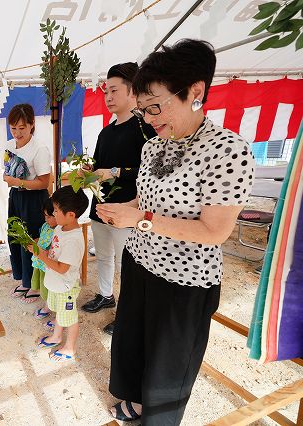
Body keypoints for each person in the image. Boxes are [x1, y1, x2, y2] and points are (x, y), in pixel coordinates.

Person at [96, 39, 255, 424]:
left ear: (195, 92)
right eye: (144, 109)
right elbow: (145, 198)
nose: (149, 118)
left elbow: (214, 231)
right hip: (140, 263)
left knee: (170, 363)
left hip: (185, 280)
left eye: (155, 107)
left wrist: (140, 220)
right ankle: (135, 402)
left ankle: (158, 416)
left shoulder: (228, 151)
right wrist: (125, 209)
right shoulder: (154, 147)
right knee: (134, 342)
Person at [79, 63, 155, 340]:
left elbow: (150, 171)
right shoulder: (105, 132)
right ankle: (105, 295)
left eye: (114, 90)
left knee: (128, 264)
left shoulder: (145, 130)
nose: (108, 96)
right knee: (104, 256)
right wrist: (88, 172)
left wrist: (114, 172)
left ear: (132, 91)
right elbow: (99, 166)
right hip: (101, 208)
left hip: (128, 211)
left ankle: (127, 313)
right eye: (106, 91)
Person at [29, 186, 89, 362]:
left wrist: (41, 255)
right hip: (55, 282)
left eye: (56, 210)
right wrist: (38, 247)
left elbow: (63, 268)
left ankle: (69, 348)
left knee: (69, 318)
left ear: (71, 214)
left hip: (65, 287)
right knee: (60, 313)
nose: (53, 214)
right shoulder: (61, 228)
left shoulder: (74, 240)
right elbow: (52, 249)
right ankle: (56, 336)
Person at [4, 104, 51, 300]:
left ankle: (35, 286)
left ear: (32, 125)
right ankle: (24, 279)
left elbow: (44, 182)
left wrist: (17, 182)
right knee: (17, 237)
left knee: (32, 241)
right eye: (13, 128)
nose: (17, 133)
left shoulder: (39, 148)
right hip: (16, 198)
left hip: (33, 200)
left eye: (22, 128)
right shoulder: (8, 145)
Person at [31, 198, 57, 316]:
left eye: (49, 216)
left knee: (49, 289)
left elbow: (52, 251)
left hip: (49, 266)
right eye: (45, 216)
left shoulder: (59, 232)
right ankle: (47, 305)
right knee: (42, 285)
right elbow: (41, 239)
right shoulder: (45, 226)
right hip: (40, 263)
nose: (46, 219)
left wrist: (40, 251)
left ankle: (50, 309)